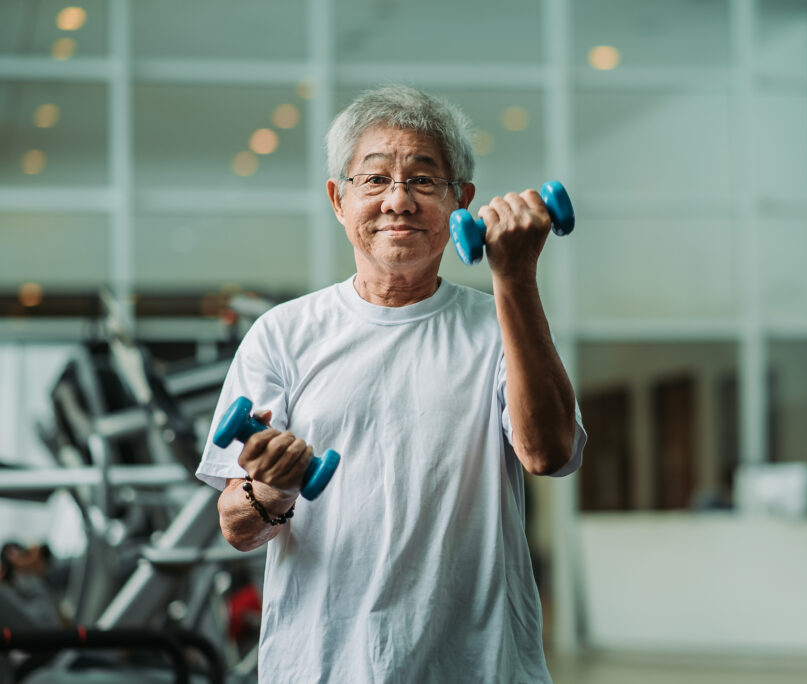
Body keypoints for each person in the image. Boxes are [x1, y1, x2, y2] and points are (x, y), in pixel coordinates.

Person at [196, 84, 586, 682]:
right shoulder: (283, 334)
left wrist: (516, 278)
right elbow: (235, 526)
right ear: (338, 199)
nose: (398, 201)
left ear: (463, 202)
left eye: (424, 181)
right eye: (374, 180)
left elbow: (549, 453)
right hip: (321, 668)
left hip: (478, 668)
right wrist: (273, 492)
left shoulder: (501, 323)